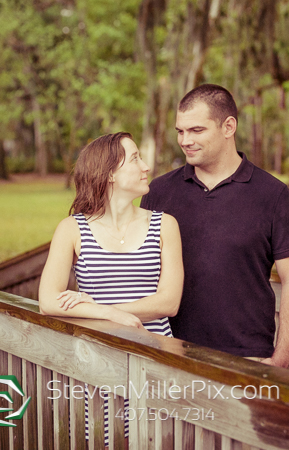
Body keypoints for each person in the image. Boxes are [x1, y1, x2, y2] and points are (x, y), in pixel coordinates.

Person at [141, 84, 289, 368]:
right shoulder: (158, 191)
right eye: (180, 131)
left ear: (228, 126)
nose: (185, 140)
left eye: (196, 130)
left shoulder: (273, 195)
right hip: (168, 351)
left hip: (246, 356)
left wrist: (280, 359)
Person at [39, 131, 183, 444]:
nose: (146, 167)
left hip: (155, 359)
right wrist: (111, 317)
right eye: (135, 159)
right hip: (97, 365)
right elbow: (48, 301)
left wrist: (100, 309)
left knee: (157, 440)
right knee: (103, 439)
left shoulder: (164, 225)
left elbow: (169, 302)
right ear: (110, 174)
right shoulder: (72, 229)